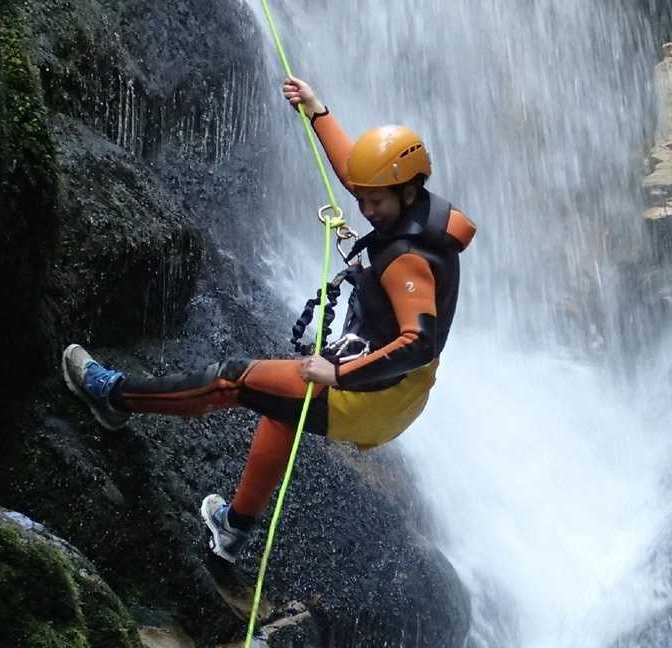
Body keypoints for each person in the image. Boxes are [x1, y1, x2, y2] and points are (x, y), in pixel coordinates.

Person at [62, 76, 476, 569]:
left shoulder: (409, 258)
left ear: (408, 191)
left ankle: (113, 397)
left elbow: (419, 342)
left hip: (374, 395)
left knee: (232, 379)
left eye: (375, 202)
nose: (365, 209)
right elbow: (355, 173)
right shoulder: (411, 210)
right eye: (362, 199)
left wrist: (337, 374)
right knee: (279, 409)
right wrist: (318, 112)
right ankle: (233, 532)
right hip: (394, 389)